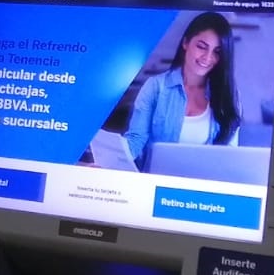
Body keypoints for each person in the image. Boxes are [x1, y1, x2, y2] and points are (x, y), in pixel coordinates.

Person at [103, 12, 240, 169]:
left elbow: (229, 154)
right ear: (185, 43)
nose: (207, 57)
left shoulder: (229, 95)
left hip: (203, 183)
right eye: (202, 47)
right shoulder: (156, 87)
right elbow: (135, 141)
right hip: (157, 181)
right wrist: (106, 162)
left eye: (217, 52)